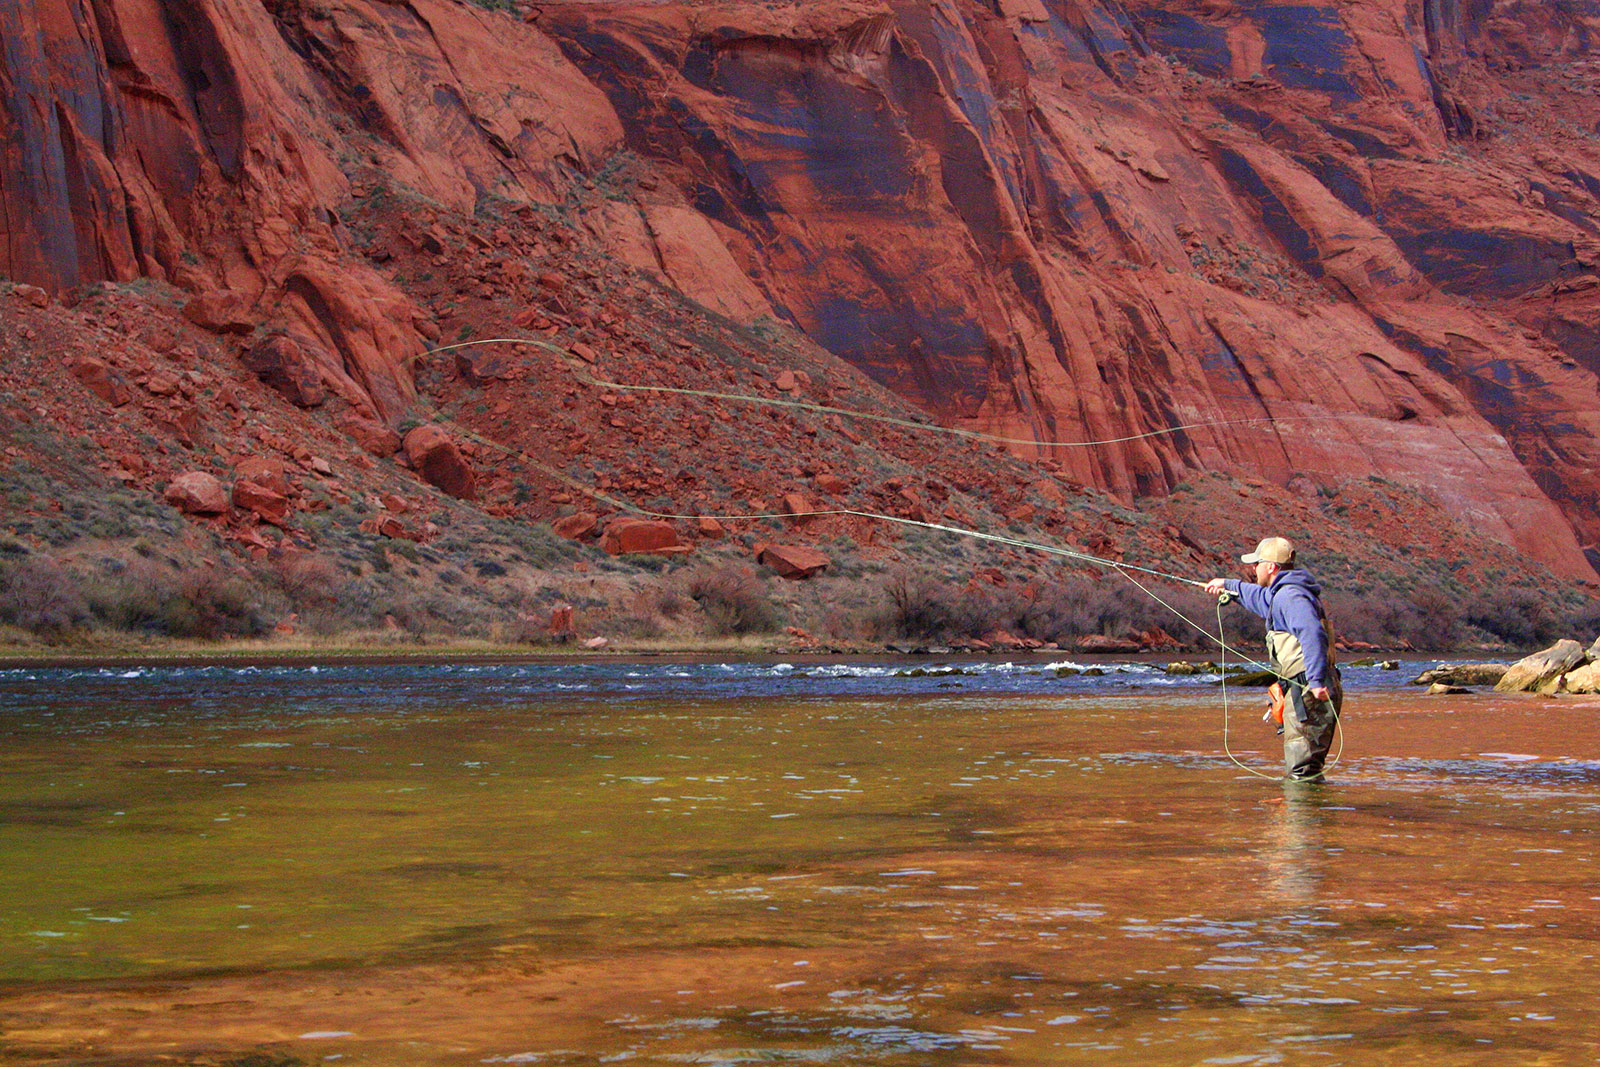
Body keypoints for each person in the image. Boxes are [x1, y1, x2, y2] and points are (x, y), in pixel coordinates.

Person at [1204, 536, 1342, 781]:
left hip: (1308, 690)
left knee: (1302, 772)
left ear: (1270, 567)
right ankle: (1309, 815)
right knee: (1305, 768)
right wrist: (1227, 585)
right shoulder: (1283, 594)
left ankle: (1300, 817)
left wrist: (1317, 681)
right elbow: (1258, 598)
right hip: (1304, 688)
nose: (1253, 569)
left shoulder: (1290, 596)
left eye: (1257, 563)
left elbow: (1312, 631)